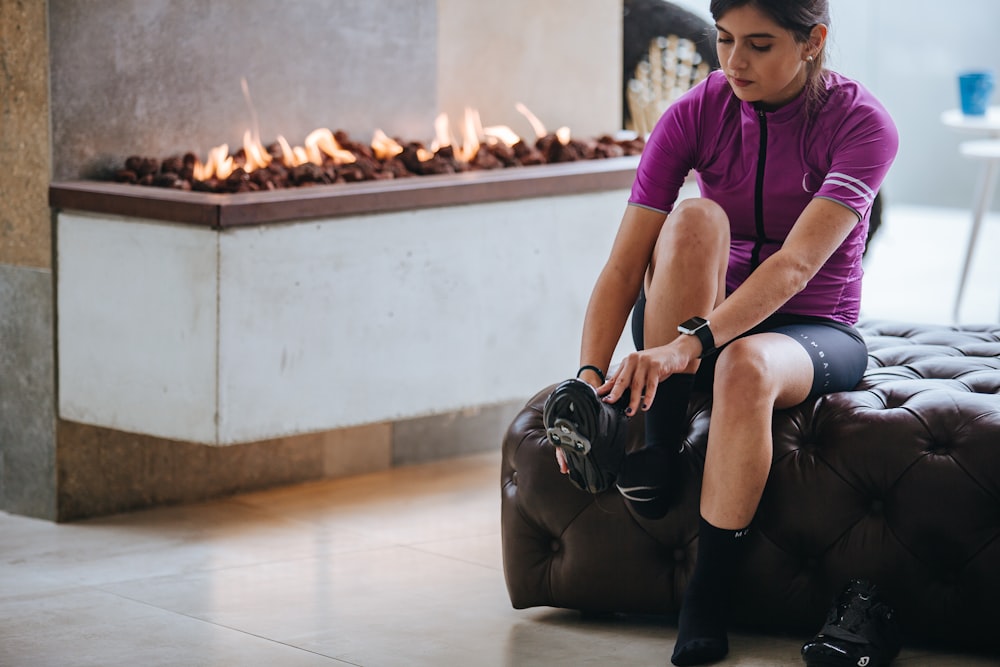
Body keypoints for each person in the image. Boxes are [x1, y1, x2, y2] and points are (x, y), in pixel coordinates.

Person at [542, 1, 898, 665]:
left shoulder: (861, 124)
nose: (734, 62)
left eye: (759, 45)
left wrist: (693, 342)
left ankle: (705, 597)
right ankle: (659, 447)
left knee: (745, 368)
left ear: (813, 41)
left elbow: (793, 267)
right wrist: (588, 384)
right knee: (695, 219)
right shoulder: (696, 111)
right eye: (725, 39)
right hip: (701, 320)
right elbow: (625, 267)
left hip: (811, 328)